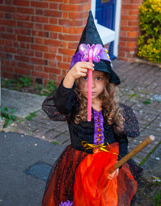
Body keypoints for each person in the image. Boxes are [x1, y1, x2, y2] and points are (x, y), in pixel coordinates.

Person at [41, 11, 142, 206]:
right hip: (77, 166)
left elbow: (122, 140)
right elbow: (60, 104)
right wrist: (69, 76)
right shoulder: (73, 105)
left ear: (107, 82)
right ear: (77, 82)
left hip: (107, 168)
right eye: (85, 78)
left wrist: (119, 163)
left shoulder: (114, 108)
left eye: (98, 78)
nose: (92, 85)